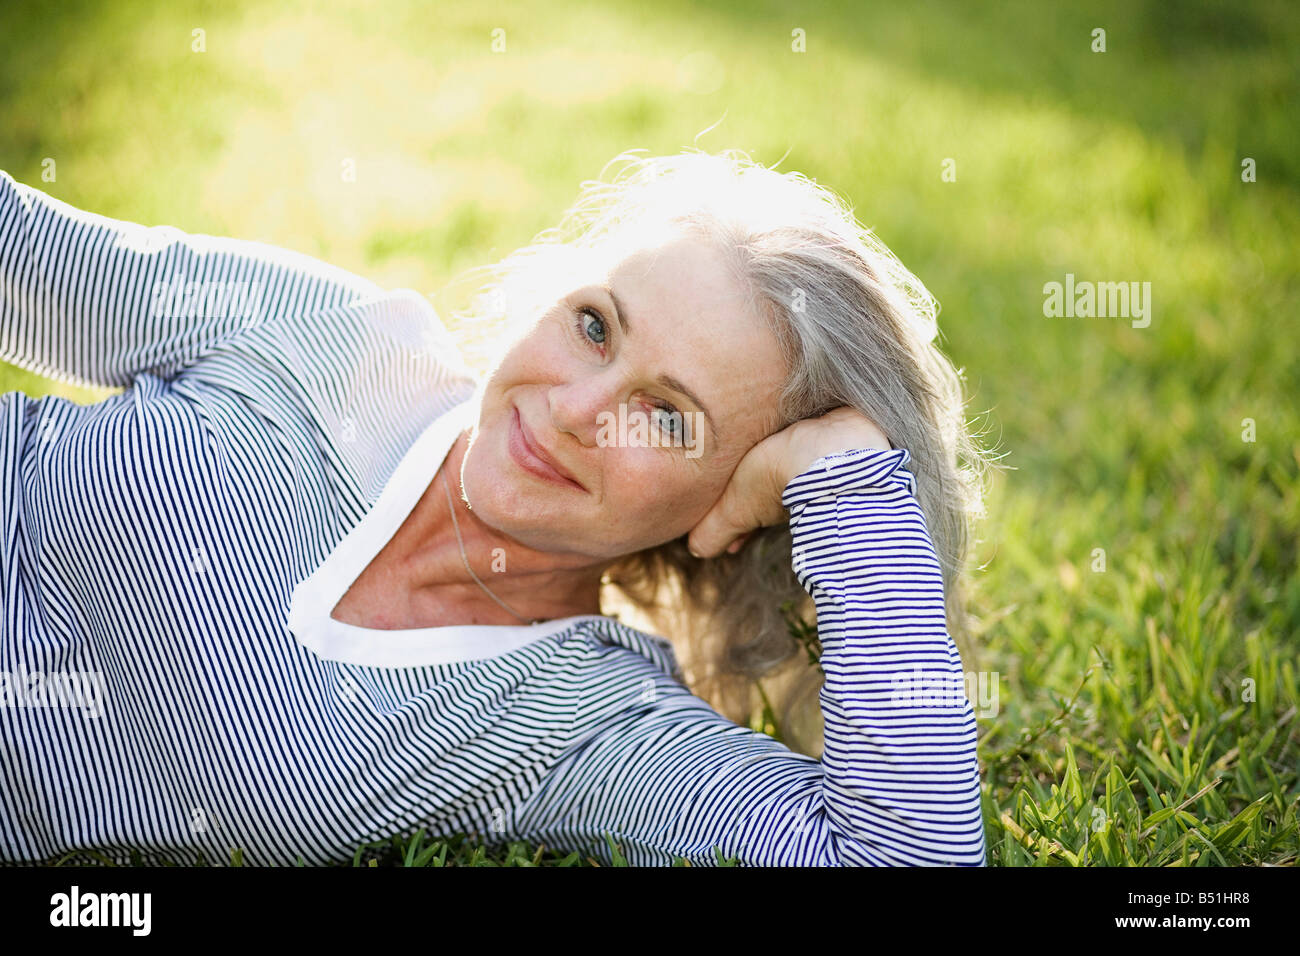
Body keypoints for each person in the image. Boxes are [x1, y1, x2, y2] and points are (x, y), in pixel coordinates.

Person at [0, 149, 989, 866]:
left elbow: (906, 857)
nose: (571, 410)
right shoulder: (335, 336)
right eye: (594, 326)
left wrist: (847, 476)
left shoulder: (577, 716)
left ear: (732, 506)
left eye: (668, 417)